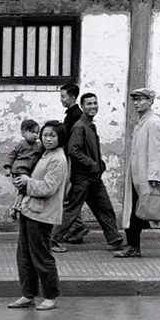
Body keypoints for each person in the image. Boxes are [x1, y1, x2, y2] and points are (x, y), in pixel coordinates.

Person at [7, 120, 68, 311]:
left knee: (41, 256)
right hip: (30, 210)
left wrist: (27, 181)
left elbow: (49, 187)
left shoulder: (57, 159)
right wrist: (22, 187)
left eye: (52, 135)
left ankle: (50, 295)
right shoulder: (44, 154)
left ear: (60, 138)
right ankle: (28, 294)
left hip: (43, 214)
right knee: (25, 256)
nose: (47, 139)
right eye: (45, 135)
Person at [52, 93, 125, 251]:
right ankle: (51, 240)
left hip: (93, 178)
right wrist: (92, 163)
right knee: (71, 211)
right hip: (83, 178)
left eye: (95, 103)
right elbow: (73, 150)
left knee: (105, 208)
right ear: (82, 106)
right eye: (89, 104)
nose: (93, 107)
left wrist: (100, 163)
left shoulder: (90, 125)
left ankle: (114, 240)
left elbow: (88, 150)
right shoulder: (80, 126)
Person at [115, 88, 160, 257]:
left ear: (150, 102)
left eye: (141, 99)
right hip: (138, 177)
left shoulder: (154, 123)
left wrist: (155, 176)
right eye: (135, 100)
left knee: (158, 211)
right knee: (141, 212)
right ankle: (133, 246)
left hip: (148, 178)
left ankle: (134, 246)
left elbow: (158, 151)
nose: (137, 103)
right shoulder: (142, 122)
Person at [51, 83, 88, 252]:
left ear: (73, 98)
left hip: (72, 161)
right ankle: (78, 228)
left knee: (67, 198)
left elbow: (69, 140)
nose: (61, 100)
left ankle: (53, 237)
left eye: (63, 97)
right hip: (71, 160)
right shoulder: (72, 115)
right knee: (71, 197)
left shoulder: (76, 117)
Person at [3, 119, 42, 219]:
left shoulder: (38, 145)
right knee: (23, 188)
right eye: (32, 132)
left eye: (37, 133)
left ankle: (14, 208)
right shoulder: (21, 144)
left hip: (28, 172)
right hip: (19, 170)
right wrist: (8, 167)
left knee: (23, 190)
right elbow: (11, 155)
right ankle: (17, 206)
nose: (35, 135)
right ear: (23, 133)